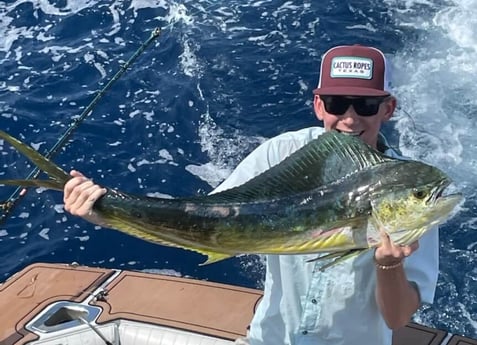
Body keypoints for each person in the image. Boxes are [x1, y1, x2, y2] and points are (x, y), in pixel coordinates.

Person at [63, 45, 439, 345]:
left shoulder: (410, 197)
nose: (351, 118)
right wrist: (104, 212)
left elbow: (397, 318)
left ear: (387, 109)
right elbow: (207, 221)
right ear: (319, 105)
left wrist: (388, 266)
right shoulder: (281, 152)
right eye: (338, 103)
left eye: (367, 105)